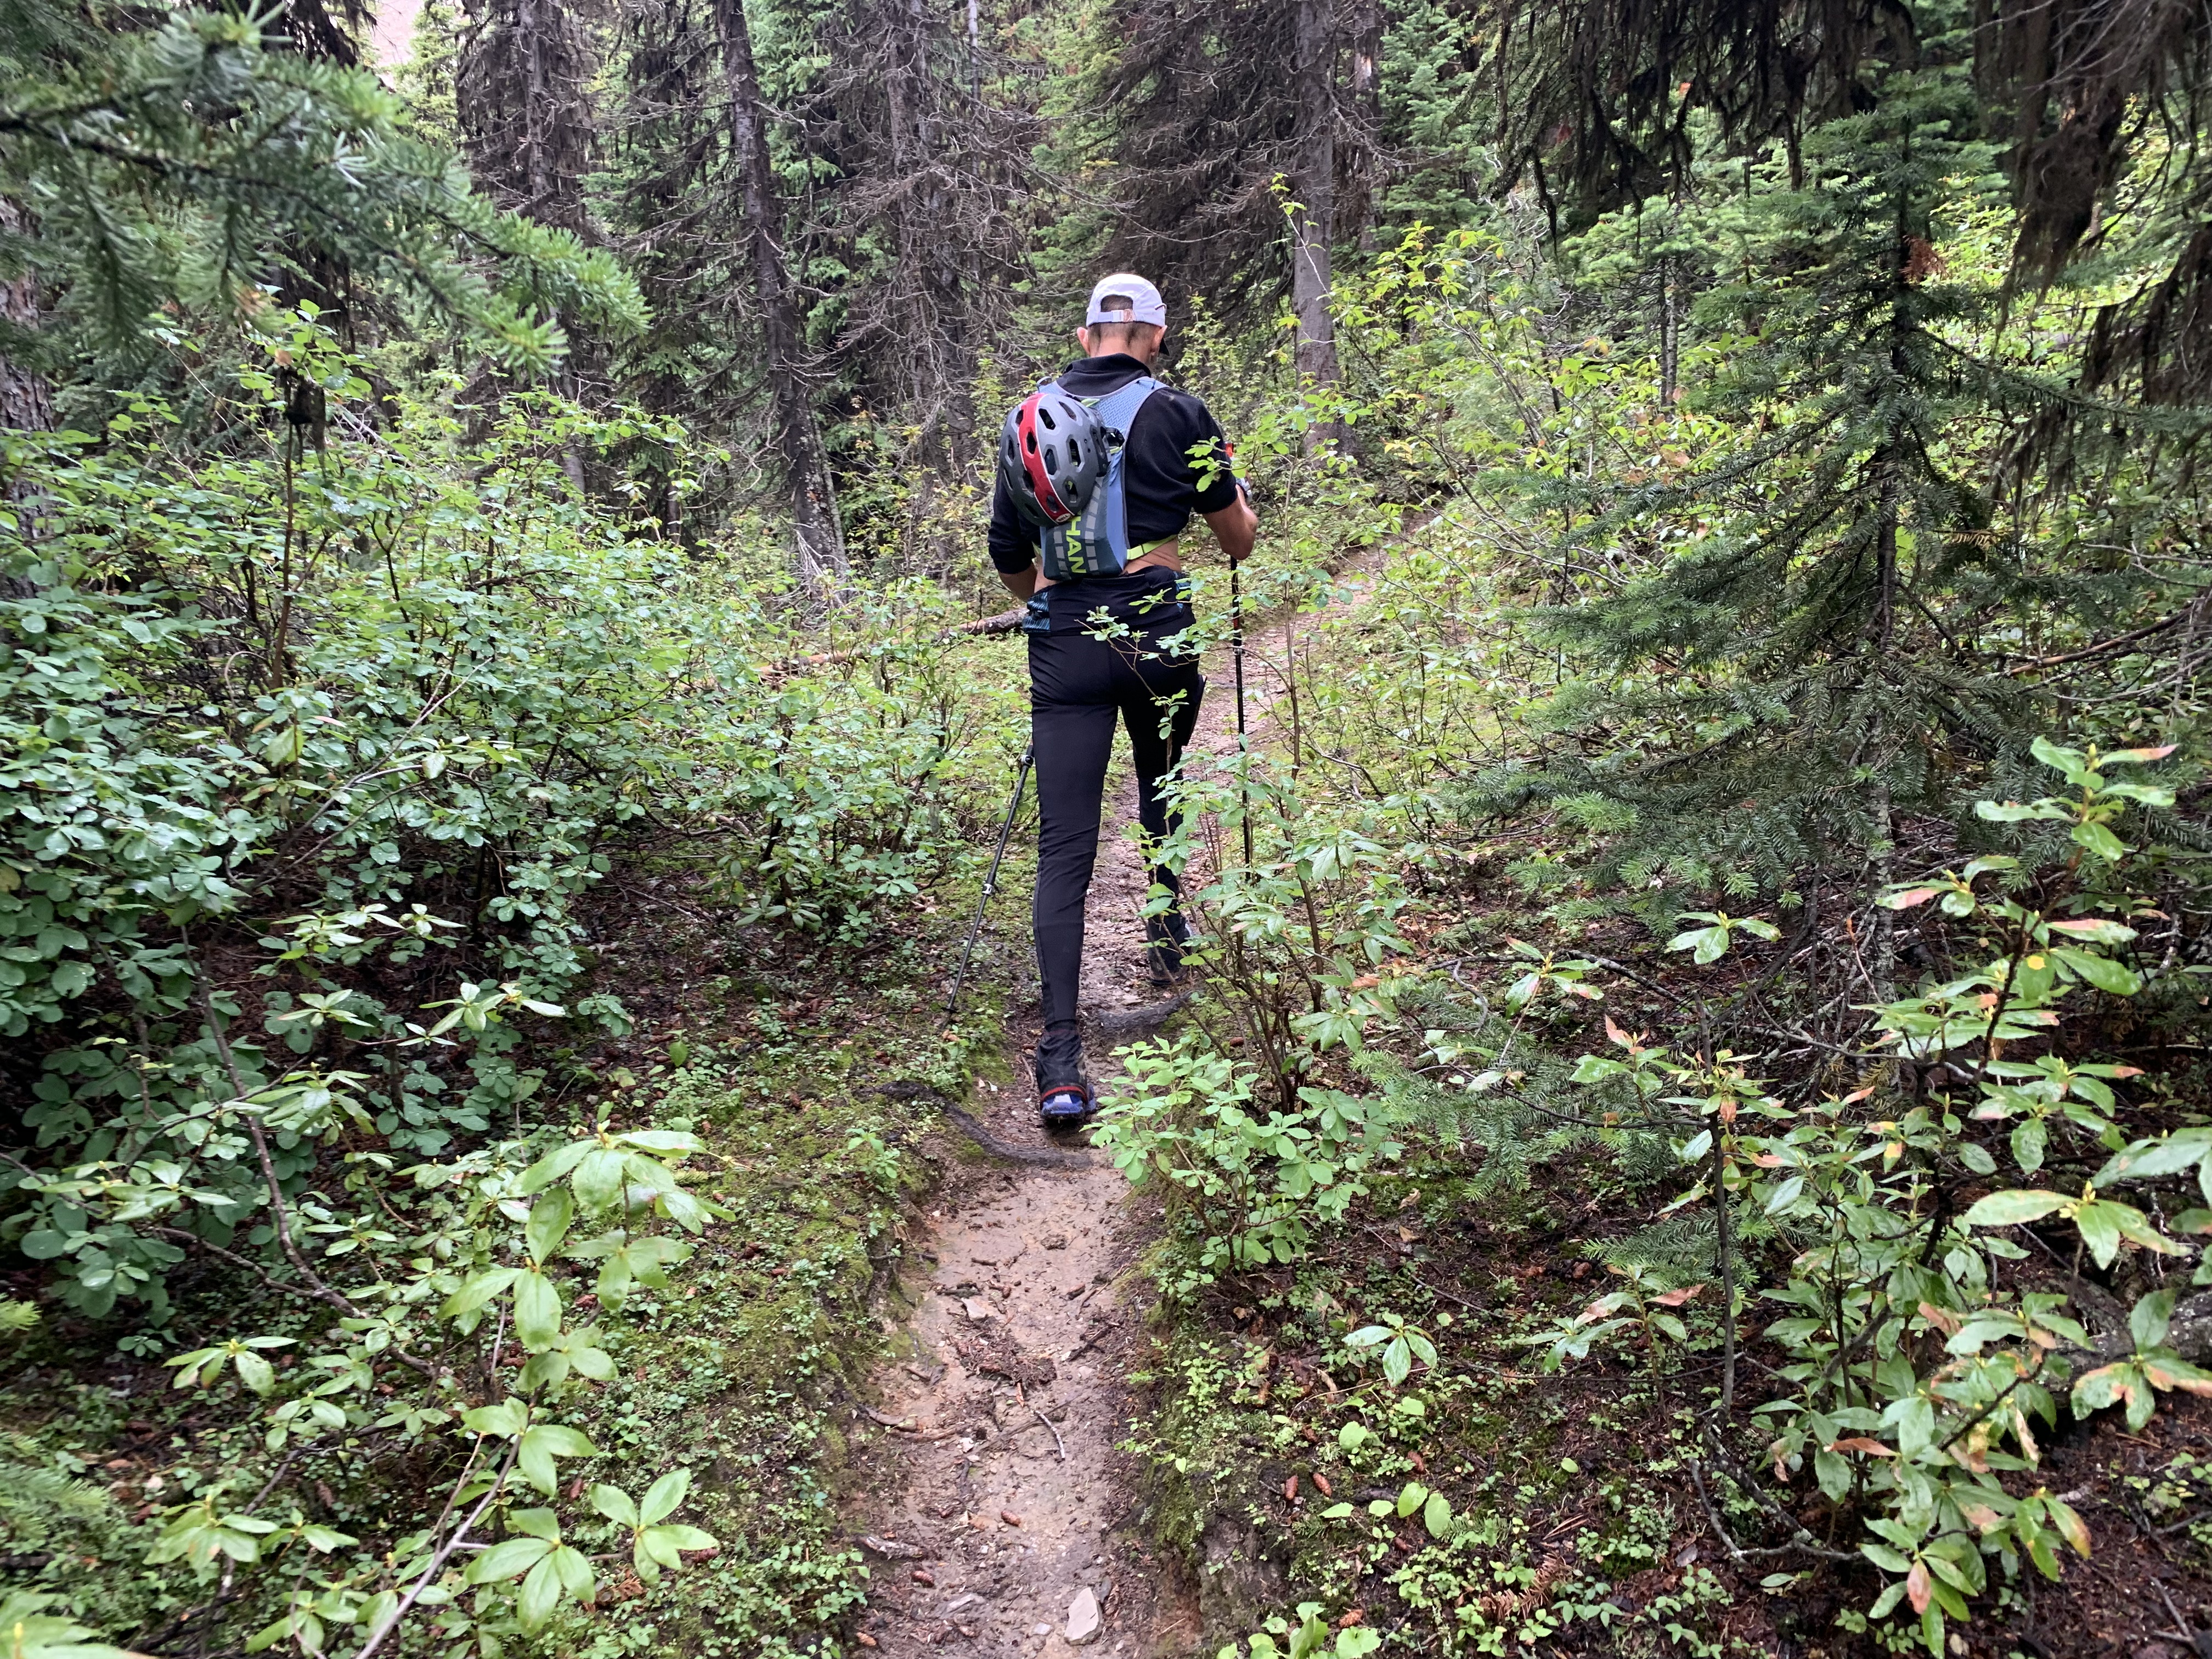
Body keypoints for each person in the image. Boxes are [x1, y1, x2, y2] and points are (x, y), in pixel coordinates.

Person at [987, 272, 1259, 1127]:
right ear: (1155, 334)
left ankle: (1061, 1059)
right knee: (1161, 790)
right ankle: (1167, 936)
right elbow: (1238, 538)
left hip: (1063, 644)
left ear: (1085, 333)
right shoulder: (1182, 414)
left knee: (1064, 847)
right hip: (1158, 632)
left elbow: (1005, 552)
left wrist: (1057, 599)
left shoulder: (1027, 418)